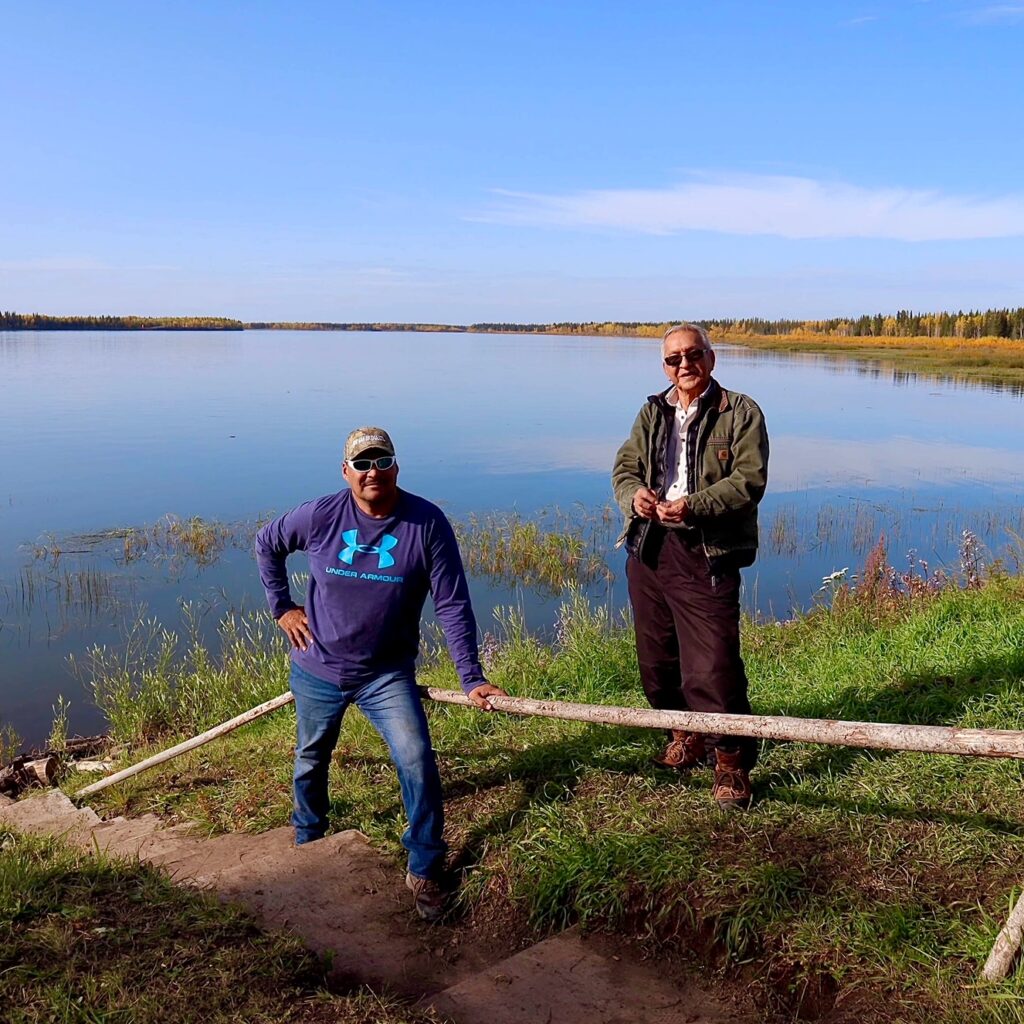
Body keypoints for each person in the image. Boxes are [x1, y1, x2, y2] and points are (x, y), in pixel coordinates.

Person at [255, 426, 506, 920]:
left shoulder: (426, 523)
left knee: (415, 757)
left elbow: (452, 603)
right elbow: (267, 543)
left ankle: (426, 867)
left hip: (385, 674)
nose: (373, 472)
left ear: (396, 466)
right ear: (346, 472)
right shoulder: (321, 514)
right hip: (317, 667)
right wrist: (281, 607)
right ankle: (309, 839)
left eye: (382, 461)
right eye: (362, 463)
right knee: (310, 756)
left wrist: (471, 676)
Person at [612, 324, 768, 810]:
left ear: (711, 358)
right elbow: (625, 468)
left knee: (713, 666)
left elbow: (748, 481)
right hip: (650, 549)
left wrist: (694, 506)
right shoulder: (652, 411)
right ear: (664, 366)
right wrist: (632, 496)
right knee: (657, 664)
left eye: (693, 355)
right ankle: (685, 729)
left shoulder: (740, 412)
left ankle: (731, 760)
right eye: (673, 359)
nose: (684, 365)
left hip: (706, 551)